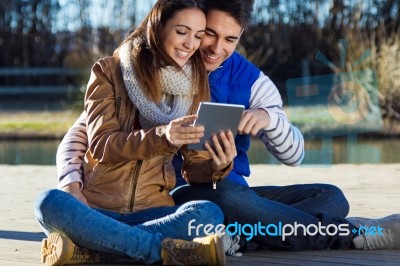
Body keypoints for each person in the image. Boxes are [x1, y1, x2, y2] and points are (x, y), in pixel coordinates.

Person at [55, 0, 400, 254]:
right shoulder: (148, 70)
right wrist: (71, 181)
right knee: (225, 199)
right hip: (177, 193)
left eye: (230, 39)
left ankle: (241, 236)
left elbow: (294, 154)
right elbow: (85, 134)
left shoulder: (247, 81)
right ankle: (348, 234)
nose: (215, 48)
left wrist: (268, 121)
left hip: (225, 186)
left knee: (330, 197)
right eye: (209, 35)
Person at [34, 1, 238, 265]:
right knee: (48, 202)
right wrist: (164, 137)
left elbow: (193, 169)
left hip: (153, 213)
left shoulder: (196, 85)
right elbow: (102, 146)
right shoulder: (109, 72)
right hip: (95, 210)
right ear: (158, 27)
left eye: (198, 36)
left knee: (209, 213)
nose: (190, 44)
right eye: (182, 32)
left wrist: (219, 164)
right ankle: (161, 250)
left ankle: (94, 249)